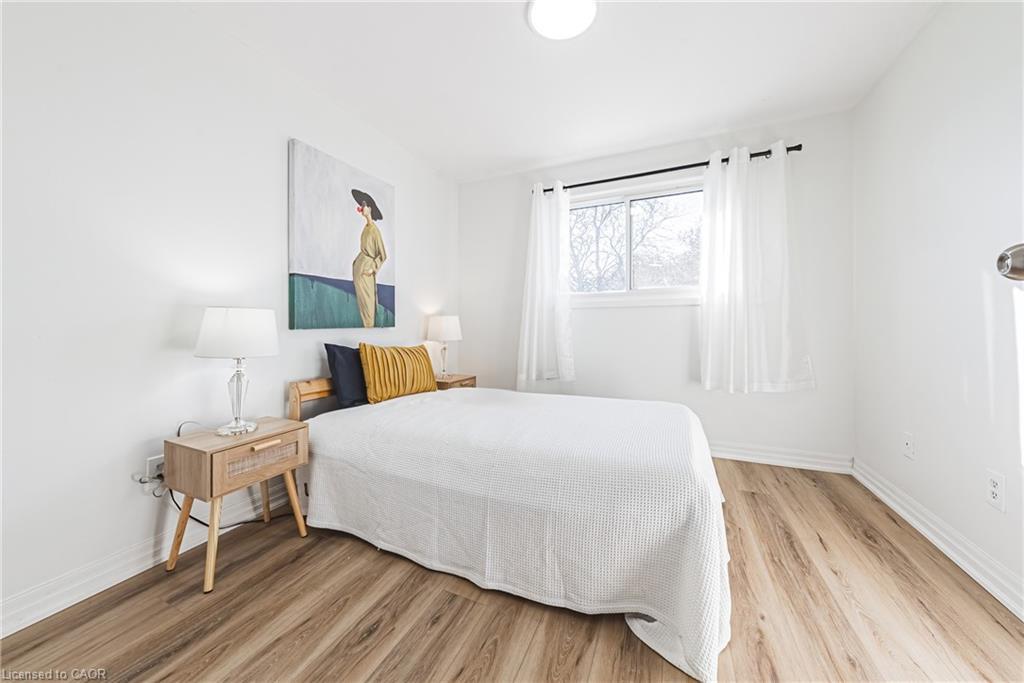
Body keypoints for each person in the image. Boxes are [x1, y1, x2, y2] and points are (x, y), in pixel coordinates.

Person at [351, 189, 387, 328]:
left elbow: (383, 255)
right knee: (362, 307)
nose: (362, 207)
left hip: (366, 274)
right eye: (361, 205)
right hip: (359, 273)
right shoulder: (366, 228)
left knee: (368, 309)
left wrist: (372, 268)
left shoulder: (374, 231)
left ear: (370, 208)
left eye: (364, 205)